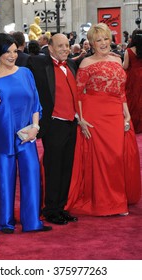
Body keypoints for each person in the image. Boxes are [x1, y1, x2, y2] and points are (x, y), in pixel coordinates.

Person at [65, 23, 141, 216]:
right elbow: (79, 94)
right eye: (98, 40)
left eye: (106, 39)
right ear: (91, 43)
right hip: (94, 114)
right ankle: (112, 202)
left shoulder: (117, 60)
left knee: (117, 158)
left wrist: (127, 113)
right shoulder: (85, 63)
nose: (103, 43)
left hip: (116, 113)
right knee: (104, 159)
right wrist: (81, 120)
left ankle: (118, 197)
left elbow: (121, 91)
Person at [0, 33, 52, 233]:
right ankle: (6, 222)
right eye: (7, 52)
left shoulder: (26, 73)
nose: (12, 56)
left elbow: (35, 102)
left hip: (27, 134)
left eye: (15, 51)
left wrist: (35, 127)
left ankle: (32, 222)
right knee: (5, 178)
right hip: (2, 133)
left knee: (32, 174)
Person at [27, 33, 78, 225]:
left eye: (67, 45)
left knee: (67, 167)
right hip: (53, 124)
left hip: (71, 124)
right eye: (60, 46)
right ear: (50, 48)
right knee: (53, 168)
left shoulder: (72, 65)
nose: (65, 49)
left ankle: (61, 207)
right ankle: (50, 209)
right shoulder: (40, 65)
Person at [123, 29, 142, 134]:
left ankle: (133, 124)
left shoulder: (129, 51)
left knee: (133, 100)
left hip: (133, 78)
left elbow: (125, 66)